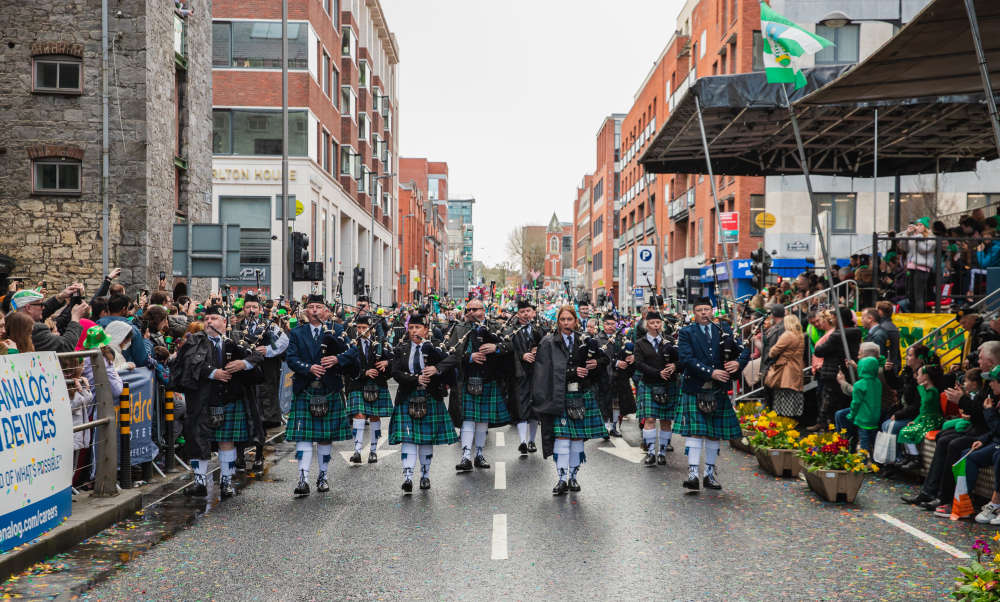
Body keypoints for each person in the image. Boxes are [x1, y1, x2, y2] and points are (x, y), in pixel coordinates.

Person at [283, 295, 357, 497]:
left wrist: (337, 359)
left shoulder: (338, 330)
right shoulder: (297, 333)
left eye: (319, 307)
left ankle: (323, 476)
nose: (314, 310)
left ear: (326, 311)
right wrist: (309, 368)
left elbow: (353, 352)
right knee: (304, 437)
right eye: (311, 307)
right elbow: (291, 358)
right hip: (306, 388)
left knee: (325, 438)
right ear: (306, 312)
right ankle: (303, 478)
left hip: (329, 388)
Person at [531, 305, 608, 495]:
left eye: (569, 319)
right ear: (558, 322)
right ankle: (562, 479)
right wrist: (572, 372)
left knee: (576, 438)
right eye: (563, 320)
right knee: (562, 437)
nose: (566, 323)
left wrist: (595, 363)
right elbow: (544, 372)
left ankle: (573, 477)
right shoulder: (548, 342)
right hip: (558, 395)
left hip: (581, 394)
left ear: (575, 321)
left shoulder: (584, 340)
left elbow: (605, 359)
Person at [675, 297, 749, 491]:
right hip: (695, 387)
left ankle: (709, 474)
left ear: (712, 311)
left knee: (713, 434)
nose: (704, 313)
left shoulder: (723, 331)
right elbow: (685, 358)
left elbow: (744, 350)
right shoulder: (686, 332)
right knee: (696, 431)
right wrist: (711, 372)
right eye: (699, 310)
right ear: (694, 313)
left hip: (717, 389)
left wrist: (738, 363)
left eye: (707, 309)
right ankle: (692, 474)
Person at [387, 313, 458, 492]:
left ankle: (425, 476)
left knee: (426, 441)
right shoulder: (401, 349)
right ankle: (408, 477)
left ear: (426, 330)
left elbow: (452, 363)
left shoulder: (434, 348)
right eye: (410, 328)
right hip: (407, 396)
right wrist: (416, 379)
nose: (413, 331)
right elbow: (395, 372)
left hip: (430, 397)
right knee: (408, 439)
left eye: (417, 327)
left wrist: (436, 367)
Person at [445, 299, 511, 472]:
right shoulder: (459, 328)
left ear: (483, 310)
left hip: (488, 378)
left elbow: (510, 345)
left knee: (482, 420)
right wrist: (469, 357)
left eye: (476, 309)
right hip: (467, 378)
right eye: (469, 309)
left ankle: (479, 454)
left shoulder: (494, 326)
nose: (472, 312)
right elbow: (450, 352)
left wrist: (495, 347)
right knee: (468, 418)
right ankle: (466, 456)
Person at [230, 293, 289, 472]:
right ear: (244, 309)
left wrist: (269, 350)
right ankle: (239, 456)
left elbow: (285, 341)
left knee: (260, 418)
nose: (251, 310)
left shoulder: (269, 326)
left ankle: (258, 455)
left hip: (263, 377)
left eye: (254, 307)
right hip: (242, 378)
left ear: (260, 309)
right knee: (242, 418)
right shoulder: (236, 326)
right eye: (248, 307)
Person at [344, 315, 394, 464]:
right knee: (358, 416)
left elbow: (395, 359)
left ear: (371, 328)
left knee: (374, 416)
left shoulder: (380, 343)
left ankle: (373, 450)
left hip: (377, 385)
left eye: (364, 328)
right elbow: (346, 365)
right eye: (358, 328)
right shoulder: (352, 344)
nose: (360, 331)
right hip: (358, 384)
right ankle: (357, 451)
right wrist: (363, 373)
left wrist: (387, 363)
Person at [633, 310, 679, 466]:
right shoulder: (640, 343)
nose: (655, 325)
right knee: (650, 419)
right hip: (649, 383)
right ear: (647, 325)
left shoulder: (670, 341)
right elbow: (639, 364)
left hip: (668, 384)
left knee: (666, 421)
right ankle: (651, 452)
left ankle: (662, 453)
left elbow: (680, 359)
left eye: (658, 323)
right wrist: (658, 373)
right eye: (652, 323)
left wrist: (674, 366)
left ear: (662, 324)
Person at [506, 299, 543, 454]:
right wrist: (522, 355)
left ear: (533, 312)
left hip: (537, 372)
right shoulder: (511, 330)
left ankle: (532, 441)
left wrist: (537, 349)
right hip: (519, 373)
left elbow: (547, 344)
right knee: (521, 406)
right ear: (517, 314)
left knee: (534, 407)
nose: (525, 314)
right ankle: (522, 441)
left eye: (528, 311)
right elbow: (508, 349)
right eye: (522, 312)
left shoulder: (539, 328)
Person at [895, 364, 946, 471]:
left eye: (918, 375)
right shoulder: (925, 390)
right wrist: (915, 420)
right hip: (924, 418)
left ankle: (916, 458)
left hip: (932, 420)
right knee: (904, 430)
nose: (916, 377)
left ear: (926, 377)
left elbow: (927, 404)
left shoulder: (932, 391)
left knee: (908, 432)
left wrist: (921, 388)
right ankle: (909, 456)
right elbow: (923, 411)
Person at [833, 349, 882, 455]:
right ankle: (876, 462)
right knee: (873, 442)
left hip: (863, 419)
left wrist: (851, 415)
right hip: (874, 418)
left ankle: (862, 463)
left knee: (864, 442)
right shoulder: (877, 382)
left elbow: (855, 403)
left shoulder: (859, 385)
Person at [11, 288, 88, 353]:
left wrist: (61, 297)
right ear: (28, 308)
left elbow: (43, 311)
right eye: (41, 305)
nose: (43, 307)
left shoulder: (12, 322)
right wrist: (75, 319)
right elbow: (66, 346)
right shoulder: (34, 328)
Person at [765, 314, 806, 419]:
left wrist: (770, 353)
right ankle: (792, 420)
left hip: (786, 369)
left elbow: (774, 351)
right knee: (793, 395)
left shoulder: (788, 335)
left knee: (783, 396)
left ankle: (784, 422)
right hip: (796, 367)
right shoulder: (800, 335)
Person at [905, 217, 936, 310]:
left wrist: (918, 237)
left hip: (922, 268)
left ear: (925, 227)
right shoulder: (915, 236)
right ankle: (913, 313)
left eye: (920, 225)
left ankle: (919, 315)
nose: (918, 227)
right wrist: (907, 234)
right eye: (917, 225)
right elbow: (904, 247)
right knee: (910, 293)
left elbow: (924, 249)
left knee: (919, 295)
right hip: (911, 267)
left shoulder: (931, 238)